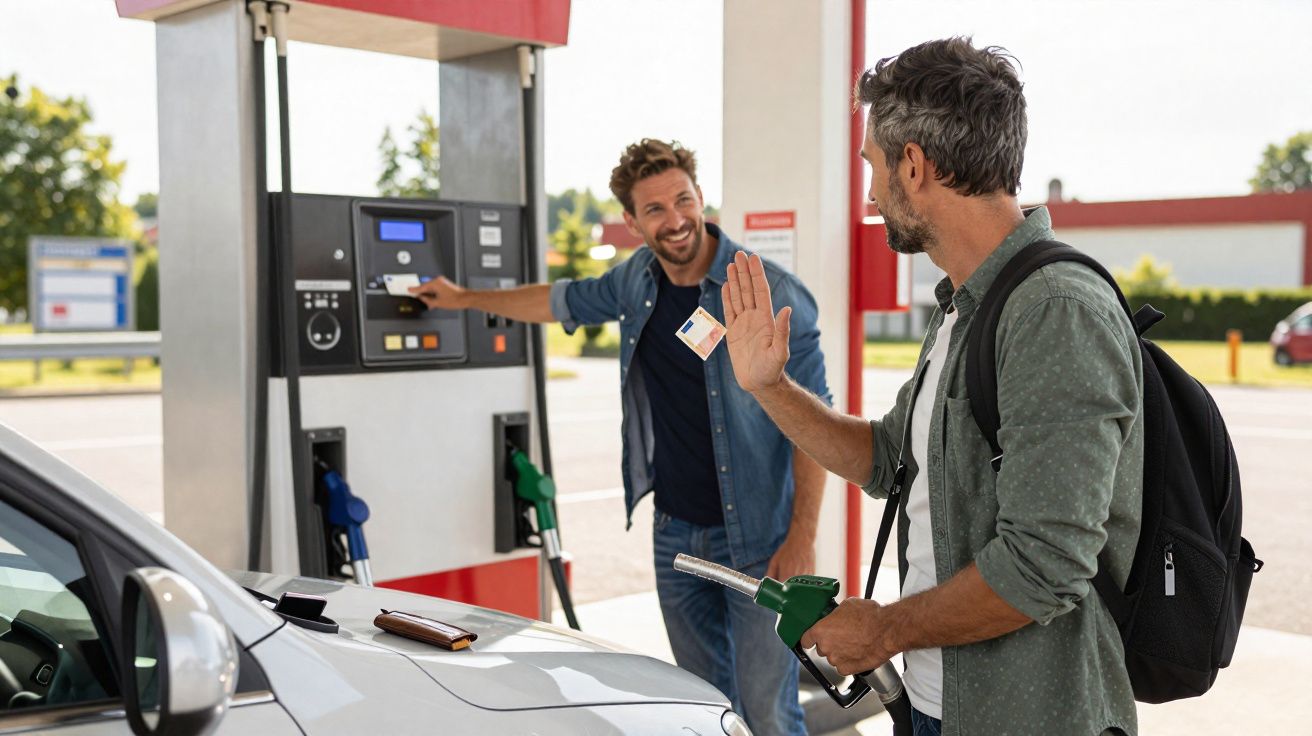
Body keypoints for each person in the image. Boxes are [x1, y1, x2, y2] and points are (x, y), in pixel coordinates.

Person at [720, 38, 1143, 736]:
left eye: (873, 166)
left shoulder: (1053, 311)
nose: (870, 193)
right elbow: (889, 460)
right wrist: (770, 387)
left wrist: (885, 629)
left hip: (1024, 718)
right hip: (936, 703)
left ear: (913, 165)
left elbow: (1044, 563)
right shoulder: (964, 306)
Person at [410, 139, 829, 735]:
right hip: (676, 538)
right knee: (703, 707)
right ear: (632, 222)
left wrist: (802, 536)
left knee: (768, 712)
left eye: (683, 200)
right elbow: (556, 300)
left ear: (701, 197)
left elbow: (814, 424)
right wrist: (463, 299)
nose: (675, 219)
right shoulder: (636, 281)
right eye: (655, 209)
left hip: (760, 541)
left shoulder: (769, 290)